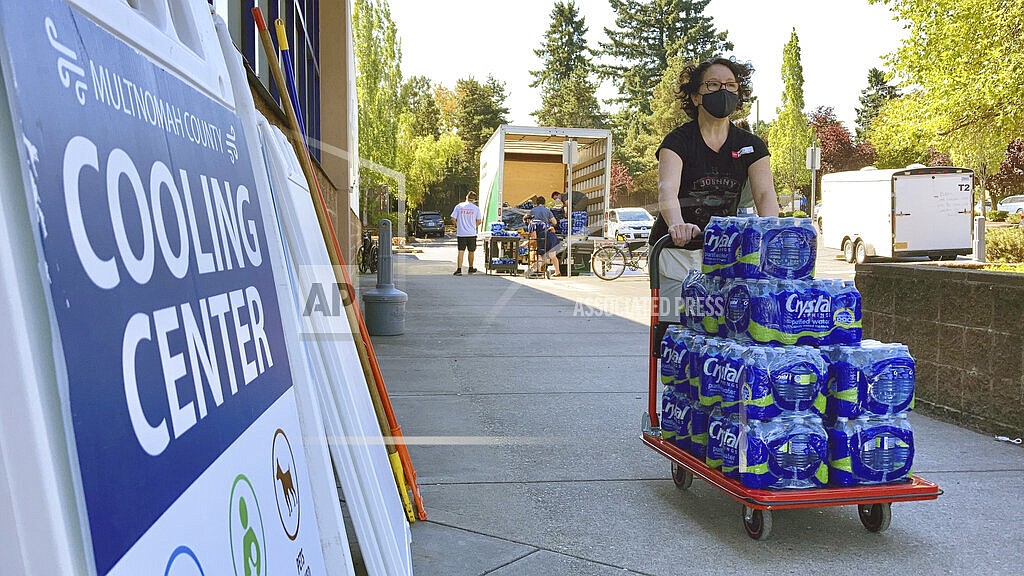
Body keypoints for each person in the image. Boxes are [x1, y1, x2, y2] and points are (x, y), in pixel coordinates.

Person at [651, 57, 779, 249]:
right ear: (695, 97)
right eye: (713, 85)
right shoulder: (677, 141)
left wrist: (771, 234)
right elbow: (667, 189)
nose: (723, 90)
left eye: (730, 85)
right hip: (676, 253)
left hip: (725, 250)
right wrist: (677, 225)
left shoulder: (752, 146)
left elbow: (764, 194)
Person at [451, 192, 482, 275]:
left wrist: (458, 225)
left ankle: (459, 269)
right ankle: (470, 268)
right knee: (471, 251)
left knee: (461, 251)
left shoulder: (459, 206)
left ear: (466, 197)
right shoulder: (476, 208)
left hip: (461, 233)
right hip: (471, 233)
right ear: (474, 200)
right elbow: (479, 221)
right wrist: (473, 226)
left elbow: (453, 218)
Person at [525, 212, 563, 277]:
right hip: (553, 237)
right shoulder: (541, 222)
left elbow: (534, 237)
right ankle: (557, 272)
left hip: (544, 238)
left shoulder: (531, 224)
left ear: (527, 220)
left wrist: (526, 243)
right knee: (553, 256)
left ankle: (538, 271)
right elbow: (552, 229)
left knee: (539, 254)